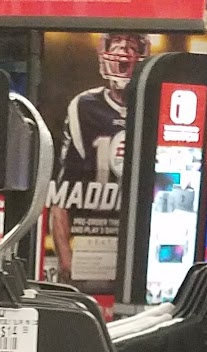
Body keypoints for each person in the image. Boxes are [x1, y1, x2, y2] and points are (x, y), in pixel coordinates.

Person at [47, 31, 149, 285]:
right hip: (92, 238)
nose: (124, 51)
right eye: (116, 44)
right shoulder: (84, 106)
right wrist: (66, 259)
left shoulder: (153, 106)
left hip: (139, 246)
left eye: (132, 45)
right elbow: (61, 195)